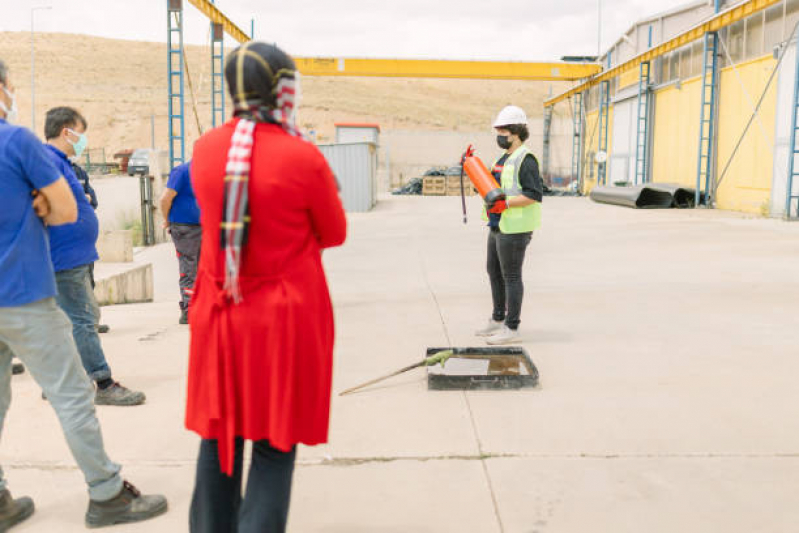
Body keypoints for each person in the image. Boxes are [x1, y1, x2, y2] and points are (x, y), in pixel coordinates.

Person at [185, 42, 347, 533]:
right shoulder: (302, 156)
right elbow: (335, 233)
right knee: (275, 445)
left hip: (220, 314)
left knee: (219, 439)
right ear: (282, 89)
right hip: (284, 319)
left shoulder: (206, 148)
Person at [0, 58, 167, 530]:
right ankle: (107, 494)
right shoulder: (17, 142)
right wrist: (39, 204)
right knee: (73, 396)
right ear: (2, 89)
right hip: (23, 295)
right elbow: (66, 209)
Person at [43, 106, 145, 406]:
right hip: (66, 258)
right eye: (80, 134)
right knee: (84, 320)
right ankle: (103, 383)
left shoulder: (60, 163)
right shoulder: (49, 162)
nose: (82, 141)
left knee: (67, 322)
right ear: (66, 131)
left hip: (72, 256)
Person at [475, 105, 543, 345]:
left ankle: (512, 327)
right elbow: (494, 187)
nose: (499, 134)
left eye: (502, 130)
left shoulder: (526, 159)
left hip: (515, 227)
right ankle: (497, 319)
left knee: (511, 276)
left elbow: (534, 194)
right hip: (497, 224)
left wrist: (506, 205)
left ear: (515, 131)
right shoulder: (502, 159)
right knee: (493, 271)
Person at [71, 159, 110, 334]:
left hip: (84, 241)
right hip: (68, 240)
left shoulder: (79, 171)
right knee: (73, 283)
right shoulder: (52, 167)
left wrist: (86, 197)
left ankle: (91, 320)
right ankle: (82, 323)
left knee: (89, 279)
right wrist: (81, 197)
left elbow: (92, 199)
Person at [159, 160, 201, 325]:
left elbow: (165, 199)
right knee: (201, 267)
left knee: (189, 267)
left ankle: (189, 309)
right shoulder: (212, 170)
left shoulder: (181, 171)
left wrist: (166, 219)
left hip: (185, 227)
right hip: (201, 226)